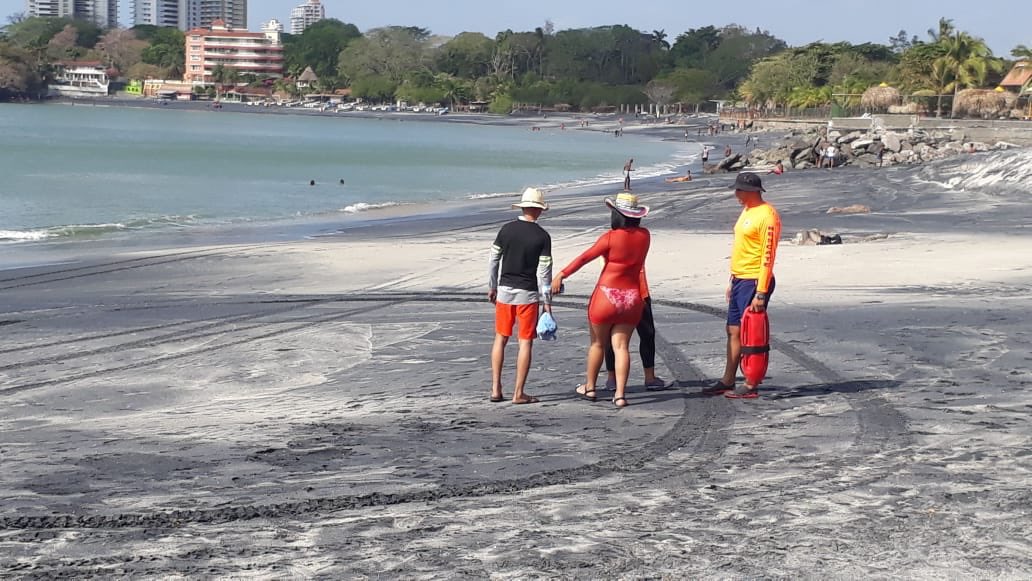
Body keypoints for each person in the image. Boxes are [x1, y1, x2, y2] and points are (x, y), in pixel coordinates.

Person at [552, 193, 651, 408]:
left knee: (597, 344)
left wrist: (561, 274)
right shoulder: (645, 236)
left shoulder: (610, 237)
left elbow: (584, 258)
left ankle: (590, 387)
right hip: (631, 298)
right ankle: (621, 395)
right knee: (622, 346)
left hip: (606, 296)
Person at [704, 172, 781, 399]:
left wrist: (761, 291)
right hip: (740, 279)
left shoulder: (768, 215)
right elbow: (741, 247)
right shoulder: (747, 210)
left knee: (751, 334)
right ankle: (728, 379)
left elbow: (768, 255)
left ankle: (750, 383)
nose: (736, 194)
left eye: (739, 190)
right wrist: (732, 279)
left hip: (755, 281)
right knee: (733, 331)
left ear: (751, 191)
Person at [488, 187, 554, 405]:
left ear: (523, 207)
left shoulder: (506, 230)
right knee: (525, 343)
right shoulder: (542, 236)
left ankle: (496, 388)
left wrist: (492, 286)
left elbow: (493, 260)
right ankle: (519, 393)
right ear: (539, 210)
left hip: (505, 292)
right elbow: (545, 273)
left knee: (501, 338)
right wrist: (547, 304)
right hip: (528, 295)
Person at [602, 267, 666, 391]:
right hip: (617, 289)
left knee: (647, 333)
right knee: (615, 336)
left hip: (633, 288)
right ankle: (612, 378)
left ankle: (649, 377)